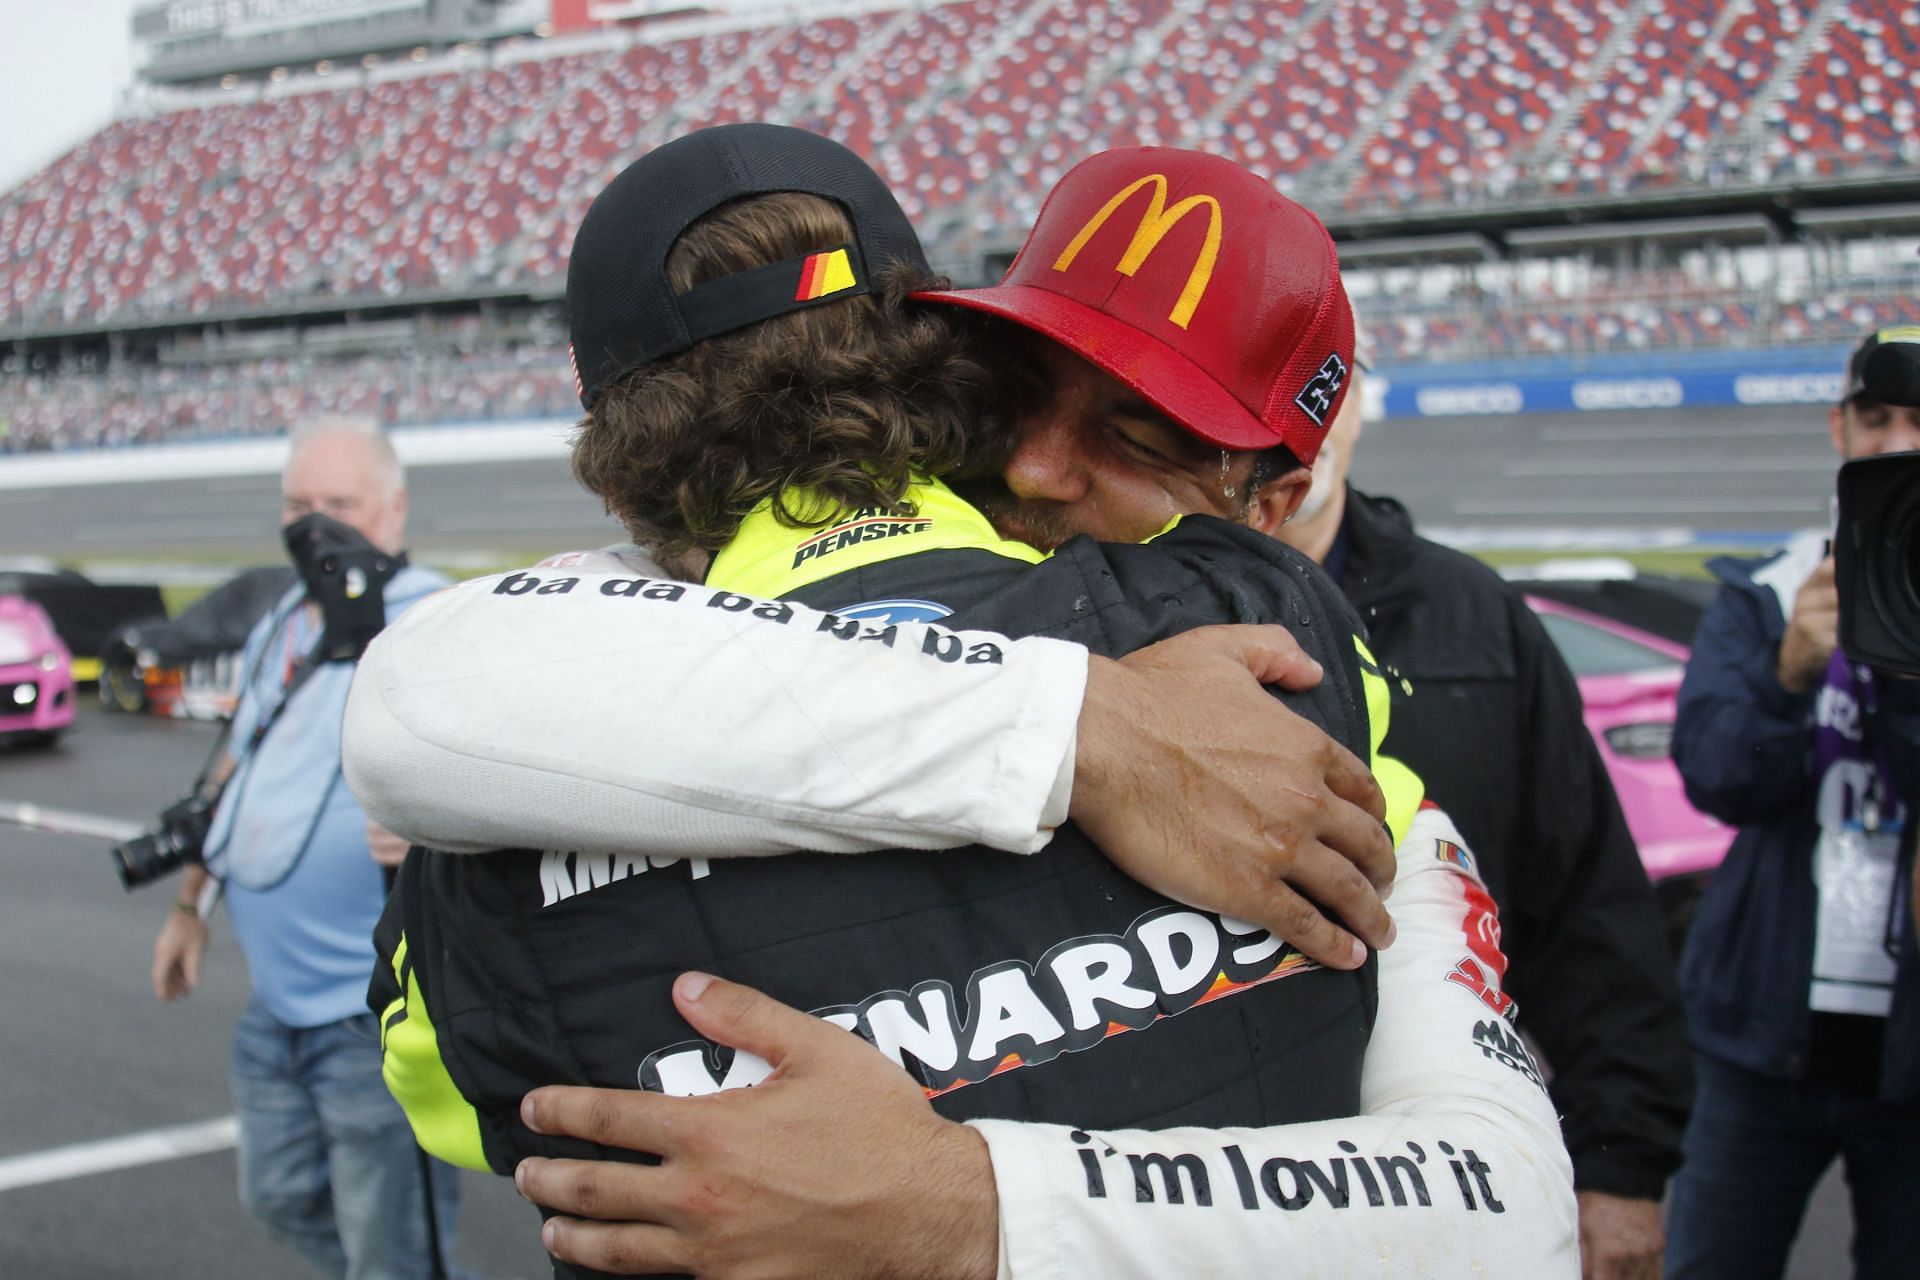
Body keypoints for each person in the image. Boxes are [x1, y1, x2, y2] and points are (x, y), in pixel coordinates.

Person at [348, 131, 1575, 1275]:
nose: (1039, 464)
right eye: (1024, 390)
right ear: (943, 368)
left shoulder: (500, 801)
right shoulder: (1270, 637)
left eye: (1135, 431)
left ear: (614, 455)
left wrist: (964, 1200)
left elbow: (451, 1095)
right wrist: (1076, 721)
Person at [1272, 353, 1691, 1280]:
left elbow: (1588, 906)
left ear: (1364, 402)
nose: (1303, 410)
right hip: (1211, 1187)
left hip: (1447, 1186)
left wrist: (1624, 1163)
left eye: (1331, 376)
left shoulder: (1478, 617)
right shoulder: (1099, 599)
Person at [150, 415, 459, 1279]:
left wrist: (432, 822)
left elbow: (505, 783)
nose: (313, 522)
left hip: (378, 1015)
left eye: (339, 503)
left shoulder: (435, 617)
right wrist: (188, 907)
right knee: (277, 1196)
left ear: (392, 510)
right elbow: (233, 774)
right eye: (297, 503)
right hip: (274, 1007)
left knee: (386, 1248)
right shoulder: (284, 621)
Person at [1662, 328, 1920, 1279]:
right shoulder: (1770, 593)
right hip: (1763, 1034)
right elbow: (1717, 775)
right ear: (1839, 427)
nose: (1898, 444)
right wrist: (1788, 672)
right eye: (1877, 417)